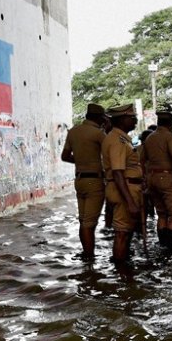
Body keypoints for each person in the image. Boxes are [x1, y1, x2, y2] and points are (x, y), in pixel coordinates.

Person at [60, 103, 107, 260]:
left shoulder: (73, 132)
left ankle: (85, 254)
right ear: (100, 118)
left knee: (82, 219)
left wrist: (81, 161)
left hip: (79, 179)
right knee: (89, 223)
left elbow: (65, 156)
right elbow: (110, 155)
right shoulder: (99, 134)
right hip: (95, 181)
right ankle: (89, 257)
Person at [140, 110, 172, 250]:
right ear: (171, 124)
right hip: (166, 177)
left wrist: (145, 179)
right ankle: (169, 246)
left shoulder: (150, 138)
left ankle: (162, 245)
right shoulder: (169, 136)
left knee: (161, 214)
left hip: (152, 178)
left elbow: (141, 160)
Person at [102, 103, 142, 263]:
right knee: (122, 233)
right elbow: (118, 173)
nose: (135, 121)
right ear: (123, 119)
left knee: (126, 232)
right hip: (124, 189)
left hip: (127, 187)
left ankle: (123, 268)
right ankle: (121, 272)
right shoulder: (117, 140)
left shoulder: (122, 138)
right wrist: (130, 202)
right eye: (132, 118)